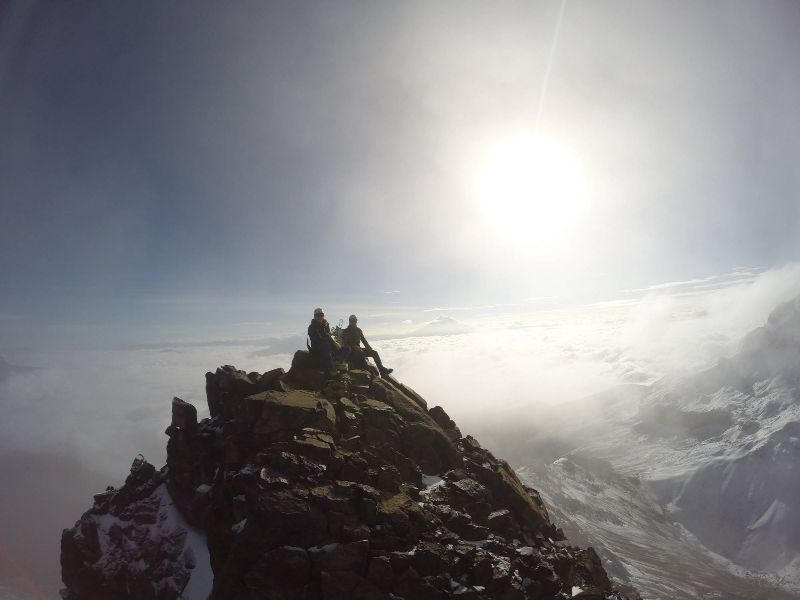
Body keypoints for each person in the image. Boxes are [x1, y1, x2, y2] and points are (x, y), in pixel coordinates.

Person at [308, 308, 350, 376]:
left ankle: (336, 361)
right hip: (317, 346)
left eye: (321, 315)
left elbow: (329, 335)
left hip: (327, 343)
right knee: (326, 346)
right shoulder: (312, 327)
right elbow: (317, 339)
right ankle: (331, 368)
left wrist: (334, 343)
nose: (320, 317)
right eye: (317, 315)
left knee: (347, 349)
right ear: (315, 316)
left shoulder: (326, 325)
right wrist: (330, 342)